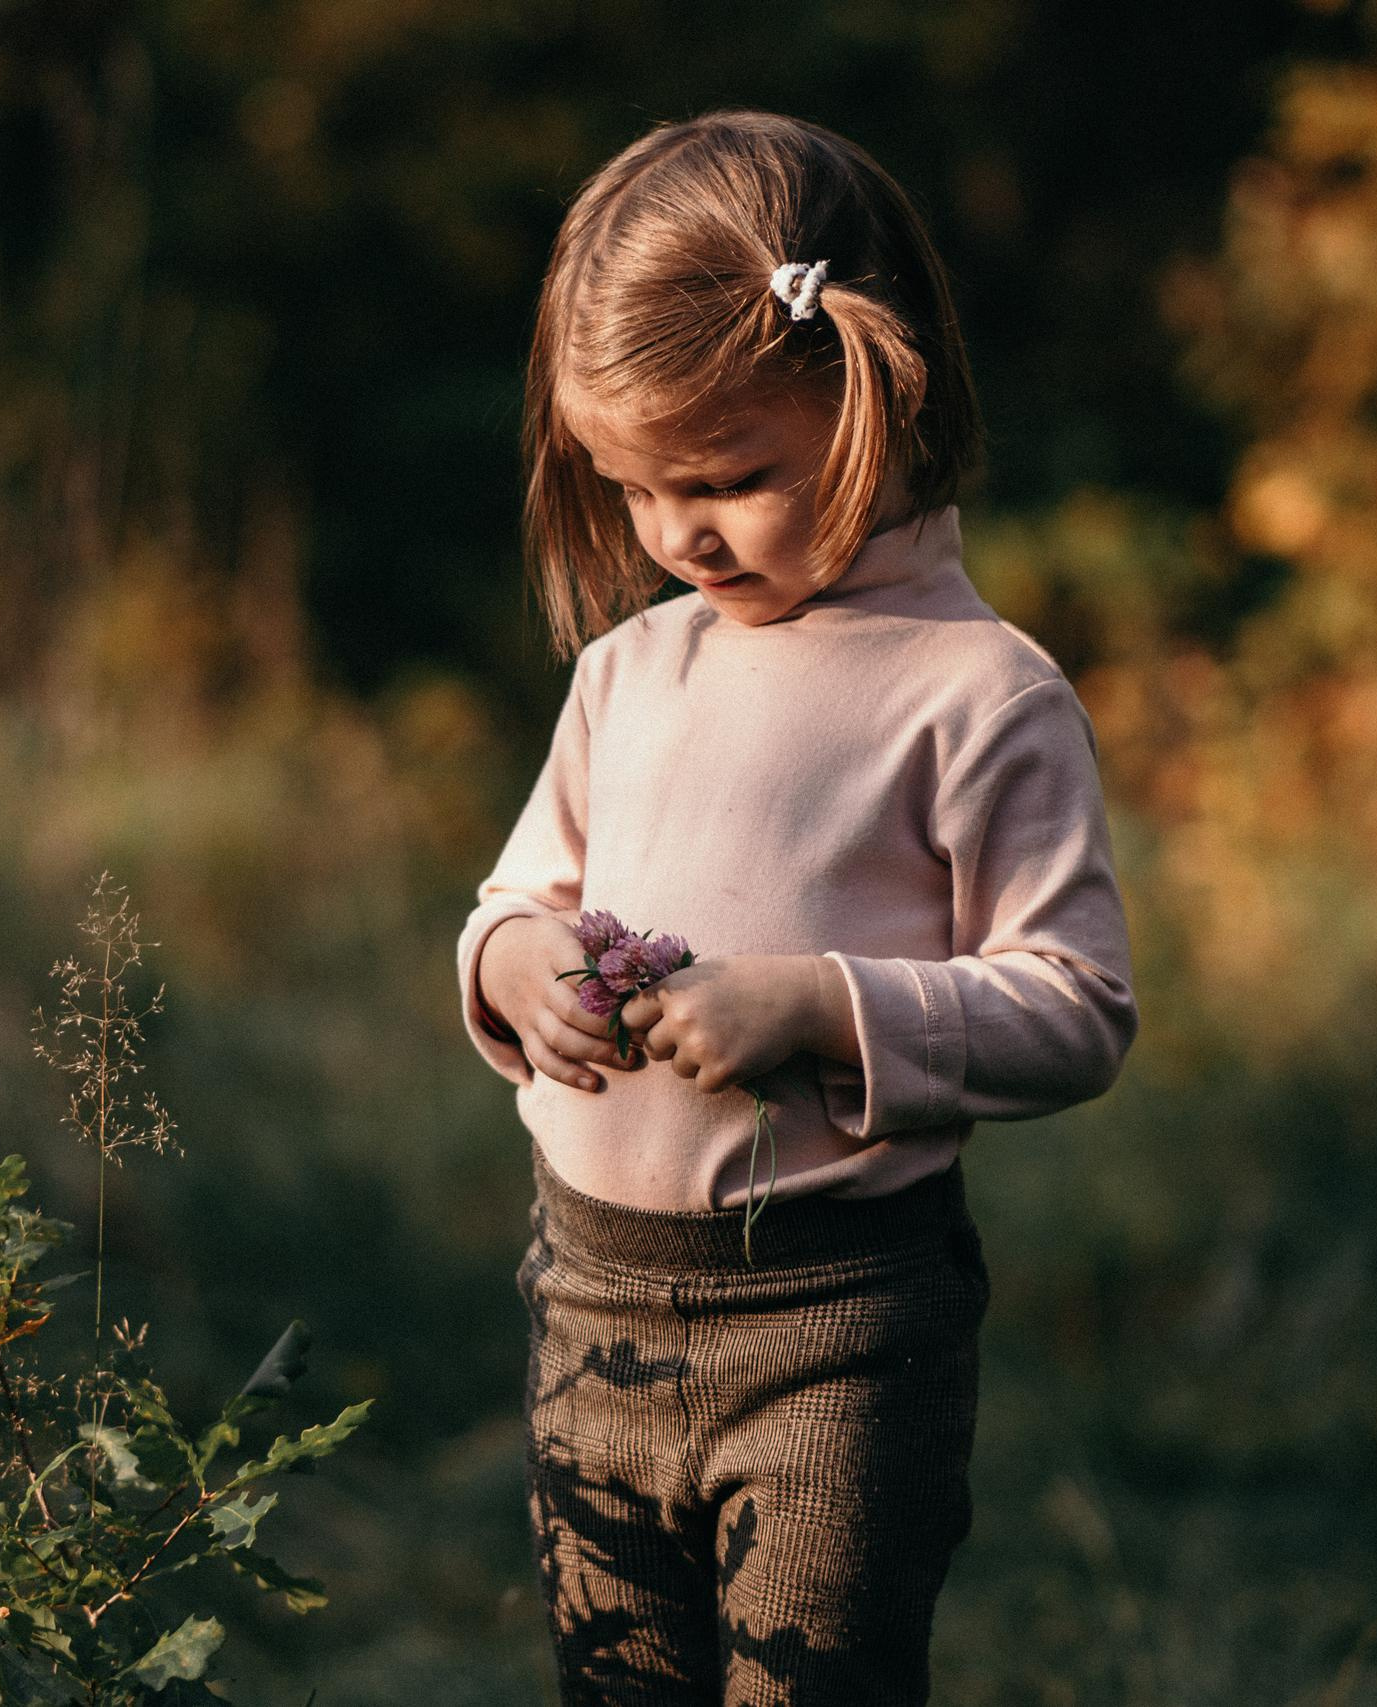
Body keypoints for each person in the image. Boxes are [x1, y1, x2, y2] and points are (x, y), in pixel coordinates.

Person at [457, 110, 1139, 1704]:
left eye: (729, 480)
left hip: (837, 1333)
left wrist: (821, 1007)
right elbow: (515, 893)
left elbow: (1078, 1004)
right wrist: (521, 961)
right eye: (633, 490)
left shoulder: (978, 696)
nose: (676, 536)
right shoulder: (629, 672)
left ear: (871, 391)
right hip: (591, 1310)